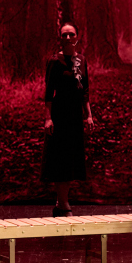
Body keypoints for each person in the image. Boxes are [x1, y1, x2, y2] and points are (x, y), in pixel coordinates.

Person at [42, 22, 93, 217]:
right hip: (59, 114)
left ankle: (60, 203)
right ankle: (64, 204)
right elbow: (48, 92)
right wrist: (48, 118)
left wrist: (88, 115)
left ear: (77, 37)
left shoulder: (81, 60)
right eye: (64, 35)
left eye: (71, 34)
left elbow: (84, 90)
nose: (68, 38)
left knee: (71, 159)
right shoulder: (55, 61)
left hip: (75, 116)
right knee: (60, 159)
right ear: (60, 38)